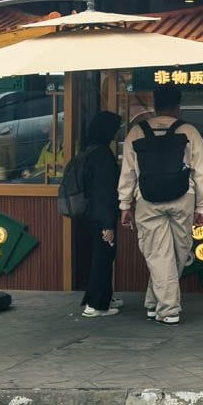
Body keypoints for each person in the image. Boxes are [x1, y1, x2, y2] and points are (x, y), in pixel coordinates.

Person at [118, 84, 203, 326]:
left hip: (147, 199)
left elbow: (127, 173)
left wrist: (124, 204)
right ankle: (168, 310)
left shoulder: (136, 132)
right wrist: (201, 208)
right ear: (178, 106)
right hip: (183, 198)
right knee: (176, 254)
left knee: (160, 254)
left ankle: (153, 302)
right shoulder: (190, 131)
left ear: (155, 105)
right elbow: (200, 172)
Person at [78, 111, 123, 317]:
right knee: (103, 257)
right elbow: (104, 191)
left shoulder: (89, 149)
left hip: (90, 213)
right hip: (102, 214)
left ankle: (103, 296)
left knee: (101, 255)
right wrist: (108, 224)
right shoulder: (103, 154)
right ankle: (96, 305)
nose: (116, 133)